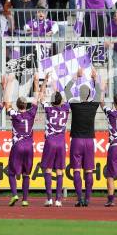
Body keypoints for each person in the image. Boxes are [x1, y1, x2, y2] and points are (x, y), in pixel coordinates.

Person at [65, 68, 101, 207]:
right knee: (89, 170)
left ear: (79, 94)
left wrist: (76, 76)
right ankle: (88, 199)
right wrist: (94, 78)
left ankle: (79, 198)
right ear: (89, 95)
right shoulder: (93, 105)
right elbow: (99, 93)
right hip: (89, 141)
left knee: (76, 170)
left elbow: (67, 90)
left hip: (77, 141)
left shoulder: (74, 104)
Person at [4, 74, 39, 207]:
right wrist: (36, 82)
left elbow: (6, 103)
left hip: (18, 145)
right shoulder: (31, 113)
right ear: (26, 105)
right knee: (26, 174)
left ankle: (14, 194)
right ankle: (25, 199)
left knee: (11, 173)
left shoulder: (14, 114)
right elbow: (36, 100)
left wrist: (9, 83)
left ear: (18, 105)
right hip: (29, 146)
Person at [39, 73, 69, 207]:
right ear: (61, 101)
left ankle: (49, 198)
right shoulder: (66, 108)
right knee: (60, 171)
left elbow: (40, 97)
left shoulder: (49, 108)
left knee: (48, 169)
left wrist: (45, 81)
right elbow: (68, 94)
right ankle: (58, 200)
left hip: (50, 141)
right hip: (61, 142)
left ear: (52, 101)